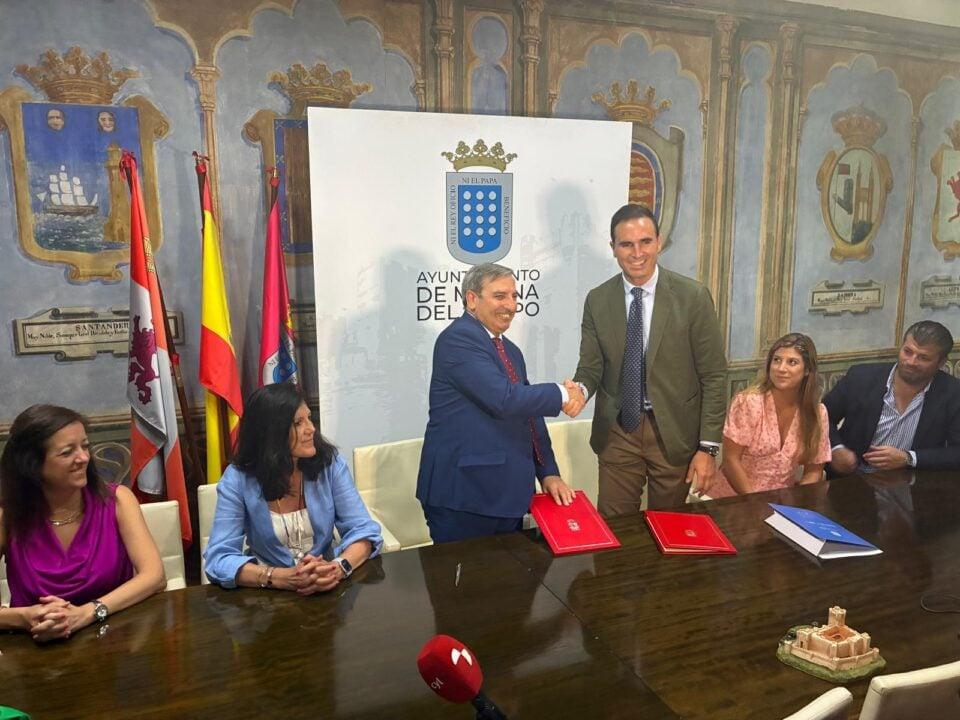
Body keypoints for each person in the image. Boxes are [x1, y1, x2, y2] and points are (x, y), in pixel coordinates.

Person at [570, 203, 727, 514]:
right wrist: (580, 390)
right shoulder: (598, 300)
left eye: (645, 242)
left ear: (658, 242)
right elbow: (591, 367)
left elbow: (714, 375)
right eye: (626, 244)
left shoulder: (693, 297)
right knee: (615, 527)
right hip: (618, 431)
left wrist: (708, 448)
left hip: (674, 432)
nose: (637, 253)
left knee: (668, 527)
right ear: (613, 248)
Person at [416, 263, 581, 543]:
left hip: (508, 497)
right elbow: (504, 399)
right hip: (465, 498)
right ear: (472, 299)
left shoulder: (510, 350)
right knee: (466, 574)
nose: (511, 305)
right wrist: (564, 394)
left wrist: (548, 472)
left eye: (514, 296)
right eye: (500, 296)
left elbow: (529, 415)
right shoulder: (458, 339)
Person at [0, 405, 165, 642]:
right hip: (33, 647)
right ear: (32, 464)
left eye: (85, 446)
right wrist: (24, 617)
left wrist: (87, 613)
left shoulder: (117, 500)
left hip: (113, 641)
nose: (84, 458)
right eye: (67, 452)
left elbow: (154, 576)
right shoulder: (8, 517)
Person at [204, 382, 382, 592]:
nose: (311, 429)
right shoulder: (238, 479)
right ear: (272, 432)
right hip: (266, 594)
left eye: (309, 418)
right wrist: (280, 578)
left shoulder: (330, 465)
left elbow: (363, 531)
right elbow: (219, 558)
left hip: (328, 585)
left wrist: (337, 568)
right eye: (298, 423)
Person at [824, 320, 960, 474]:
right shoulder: (861, 377)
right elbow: (820, 417)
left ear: (941, 362)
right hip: (851, 478)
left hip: (911, 481)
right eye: (907, 351)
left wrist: (909, 458)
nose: (911, 362)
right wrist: (836, 448)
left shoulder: (953, 393)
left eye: (923, 358)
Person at [710, 334, 830, 497]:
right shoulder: (748, 403)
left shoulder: (818, 413)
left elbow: (814, 470)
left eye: (792, 362)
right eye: (776, 360)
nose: (781, 368)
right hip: (735, 499)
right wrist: (755, 502)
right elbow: (730, 460)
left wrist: (800, 502)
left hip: (782, 503)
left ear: (807, 370)